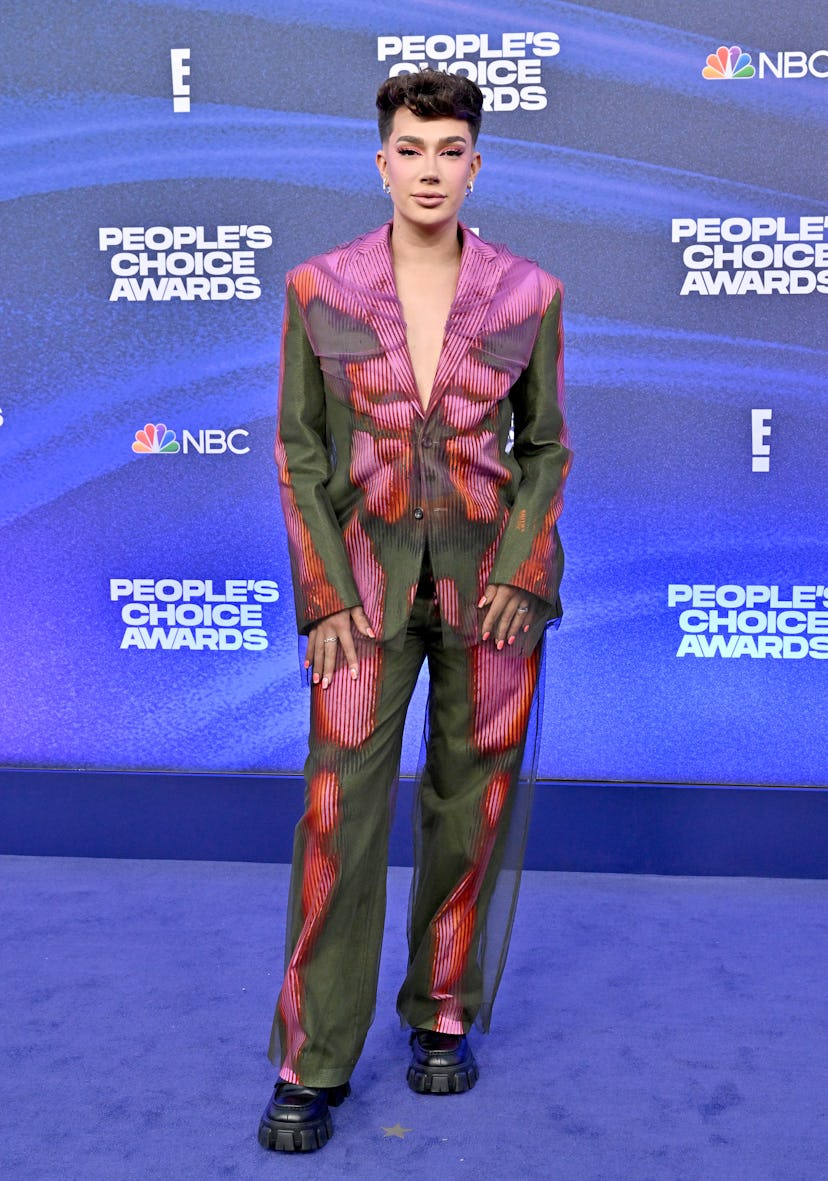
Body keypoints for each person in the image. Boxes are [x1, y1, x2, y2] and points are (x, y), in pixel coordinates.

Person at [259, 68, 571, 1154]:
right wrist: (322, 596)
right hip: (362, 585)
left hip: (493, 588)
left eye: (450, 151)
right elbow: (300, 452)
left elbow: (546, 448)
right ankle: (313, 1057)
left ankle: (442, 1013)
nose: (429, 168)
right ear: (380, 160)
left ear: (474, 164)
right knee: (338, 814)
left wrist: (525, 572)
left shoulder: (530, 293)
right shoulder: (319, 288)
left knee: (469, 804)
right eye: (411, 148)